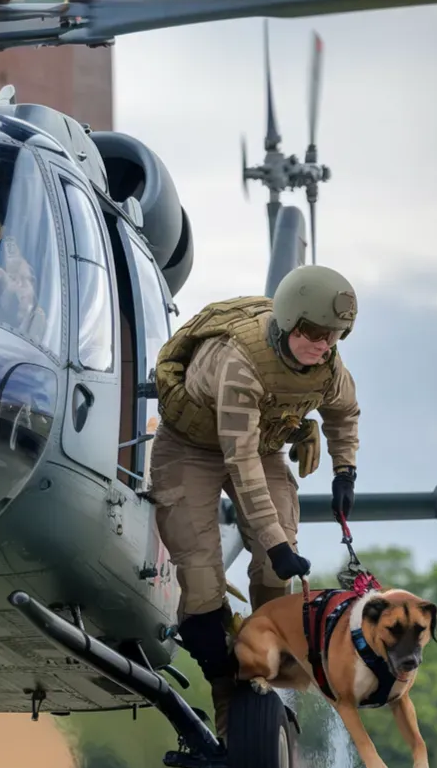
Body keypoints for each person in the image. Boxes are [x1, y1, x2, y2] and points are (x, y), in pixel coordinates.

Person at [149, 264, 360, 741]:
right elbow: (238, 462)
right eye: (312, 332)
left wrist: (345, 470)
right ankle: (228, 693)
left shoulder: (327, 365)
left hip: (260, 447)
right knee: (202, 590)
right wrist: (277, 541)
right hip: (191, 450)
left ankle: (268, 663)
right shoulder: (240, 359)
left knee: (272, 573)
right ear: (288, 323)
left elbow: (344, 413)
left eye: (334, 335)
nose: (323, 344)